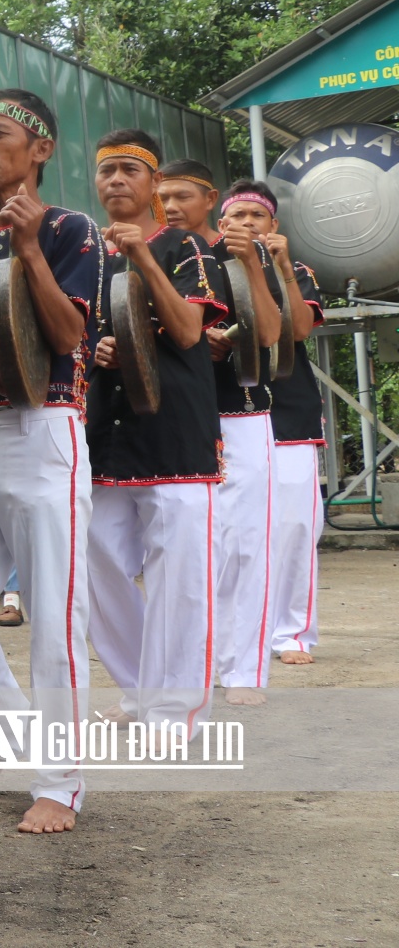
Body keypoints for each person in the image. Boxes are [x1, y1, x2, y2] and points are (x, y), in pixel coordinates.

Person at [0, 90, 104, 833]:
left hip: (46, 436)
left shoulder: (72, 228)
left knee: (54, 615)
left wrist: (31, 248)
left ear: (39, 148)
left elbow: (68, 333)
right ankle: (13, 734)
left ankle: (61, 782)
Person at [85, 131, 227, 738]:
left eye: (128, 171)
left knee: (181, 579)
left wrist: (143, 256)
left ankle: (177, 711)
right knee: (91, 566)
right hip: (107, 435)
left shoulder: (185, 246)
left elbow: (190, 330)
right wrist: (99, 346)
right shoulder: (83, 251)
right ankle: (143, 691)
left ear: (151, 185)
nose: (116, 181)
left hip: (175, 433)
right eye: (106, 171)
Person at [158, 162, 282, 706]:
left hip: (242, 412)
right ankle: (178, 676)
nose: (171, 207)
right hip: (181, 417)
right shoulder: (157, 253)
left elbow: (275, 333)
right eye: (162, 197)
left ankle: (246, 671)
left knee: (248, 544)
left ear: (209, 200)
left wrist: (250, 264)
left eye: (181, 196)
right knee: (184, 555)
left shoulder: (243, 251)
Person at [211, 183, 327, 667]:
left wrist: (279, 268)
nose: (245, 223)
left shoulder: (296, 270)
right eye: (235, 216)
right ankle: (232, 633)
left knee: (297, 525)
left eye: (255, 216)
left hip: (289, 415)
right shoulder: (207, 270)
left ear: (272, 226)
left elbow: (299, 330)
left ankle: (293, 633)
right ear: (221, 226)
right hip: (233, 413)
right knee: (235, 530)